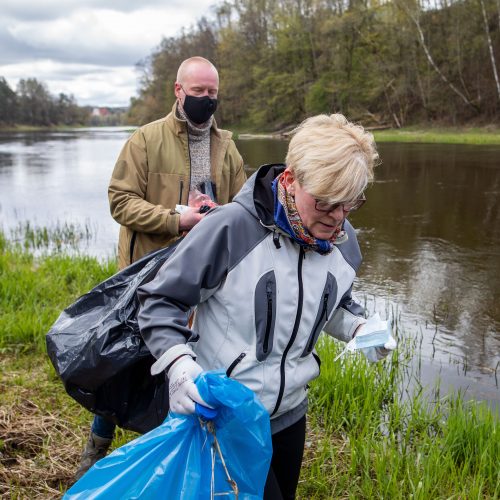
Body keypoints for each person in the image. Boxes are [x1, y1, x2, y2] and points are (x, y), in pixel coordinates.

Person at [136, 113, 397, 499]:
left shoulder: (343, 240)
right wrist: (178, 365)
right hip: (224, 415)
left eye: (350, 204)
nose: (338, 218)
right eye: (326, 203)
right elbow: (160, 300)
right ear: (290, 181)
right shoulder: (229, 230)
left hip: (291, 414)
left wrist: (360, 328)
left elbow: (335, 303)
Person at [75, 56, 247, 480]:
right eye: (199, 91)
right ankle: (96, 450)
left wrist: (220, 213)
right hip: (148, 277)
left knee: (187, 365)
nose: (207, 100)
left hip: (205, 282)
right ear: (178, 90)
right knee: (129, 366)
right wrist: (177, 218)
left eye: (213, 93)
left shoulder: (227, 146)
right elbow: (120, 201)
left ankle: (172, 461)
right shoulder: (145, 140)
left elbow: (244, 208)